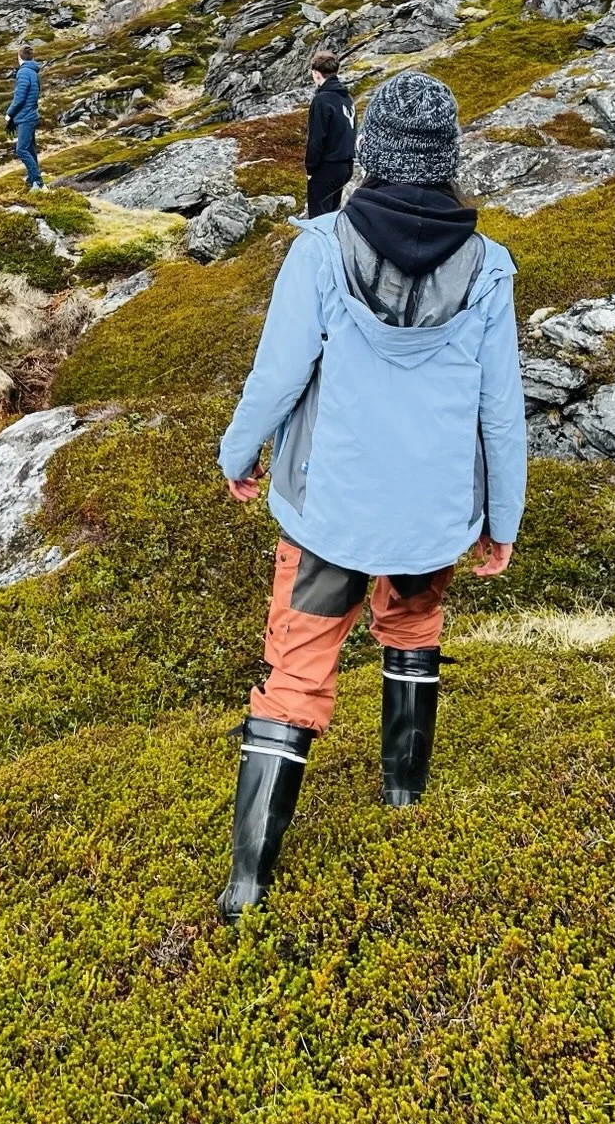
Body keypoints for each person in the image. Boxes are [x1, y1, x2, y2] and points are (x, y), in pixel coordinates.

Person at [214, 70, 527, 922]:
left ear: (370, 152)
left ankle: (247, 885)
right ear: (445, 158)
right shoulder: (491, 267)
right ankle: (402, 799)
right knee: (414, 631)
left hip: (330, 517)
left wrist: (237, 456)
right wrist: (502, 520)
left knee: (296, 673)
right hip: (432, 518)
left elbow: (276, 376)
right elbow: (502, 408)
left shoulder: (320, 247)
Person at [303, 51, 355, 218]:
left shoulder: (322, 100)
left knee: (318, 219)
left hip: (327, 168)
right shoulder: (346, 98)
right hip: (346, 166)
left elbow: (316, 139)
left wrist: (310, 168)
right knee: (333, 216)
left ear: (316, 73)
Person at [5, 40, 43, 189]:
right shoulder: (33, 72)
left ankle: (38, 182)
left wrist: (9, 114)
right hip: (31, 115)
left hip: (25, 117)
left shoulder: (23, 72)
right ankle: (31, 180)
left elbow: (19, 97)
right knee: (30, 149)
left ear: (19, 57)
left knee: (21, 150)